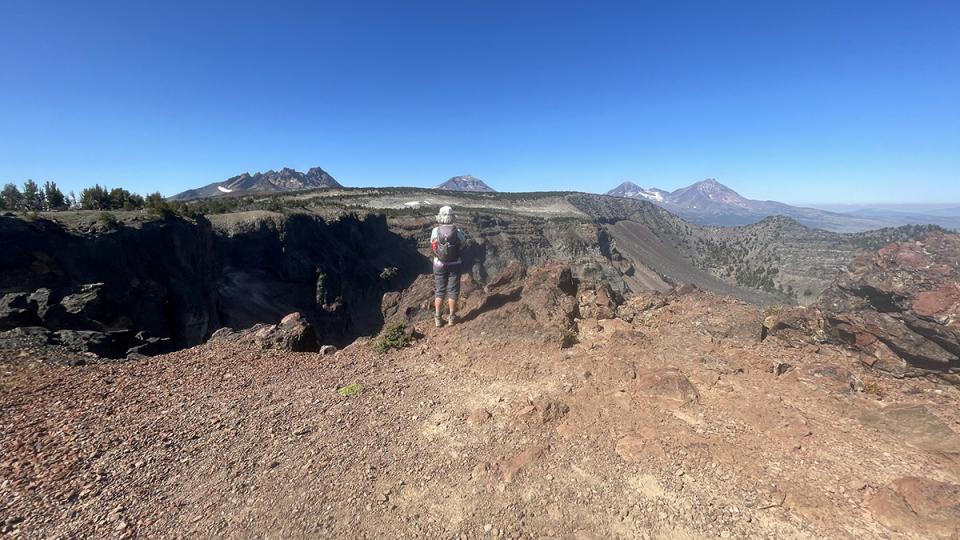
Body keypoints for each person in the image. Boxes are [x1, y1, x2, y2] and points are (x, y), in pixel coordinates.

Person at [430, 206, 466, 327]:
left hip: (439, 264)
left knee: (440, 291)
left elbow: (433, 245)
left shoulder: (435, 231)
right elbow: (462, 244)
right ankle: (451, 317)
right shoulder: (458, 231)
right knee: (453, 291)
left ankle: (438, 318)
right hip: (455, 264)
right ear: (452, 217)